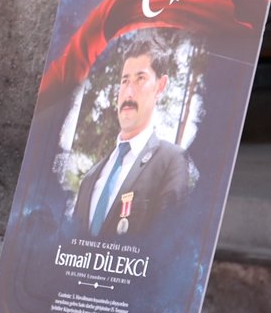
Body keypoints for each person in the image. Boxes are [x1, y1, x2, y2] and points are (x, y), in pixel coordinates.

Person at [71, 32, 190, 237]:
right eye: (125, 81)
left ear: (160, 86)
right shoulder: (90, 178)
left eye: (140, 79)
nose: (128, 92)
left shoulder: (172, 162)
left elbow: (166, 246)